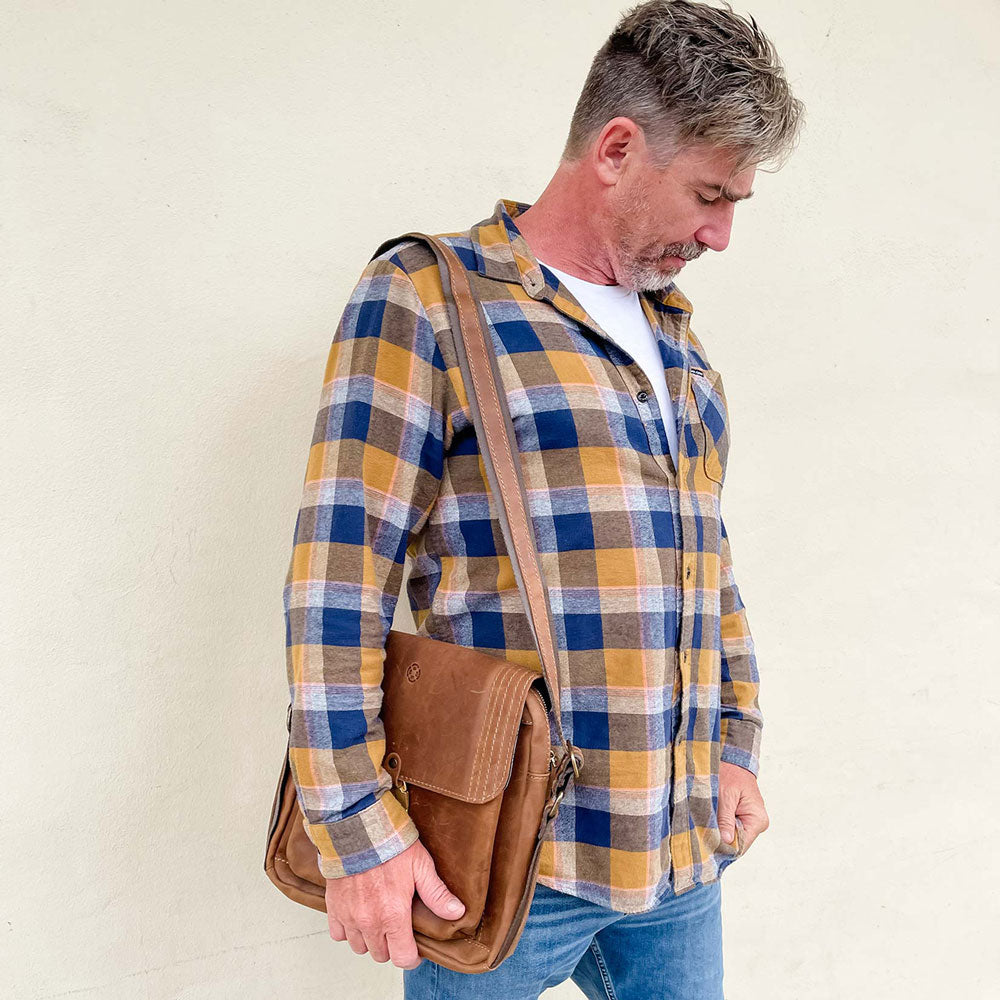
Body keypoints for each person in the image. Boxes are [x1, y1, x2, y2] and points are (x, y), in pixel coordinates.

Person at [281, 1, 804, 996]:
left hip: (681, 847)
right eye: (708, 194)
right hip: (510, 849)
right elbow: (336, 580)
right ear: (615, 148)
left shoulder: (680, 346)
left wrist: (733, 742)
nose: (721, 233)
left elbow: (709, 564)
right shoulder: (432, 296)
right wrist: (353, 827)